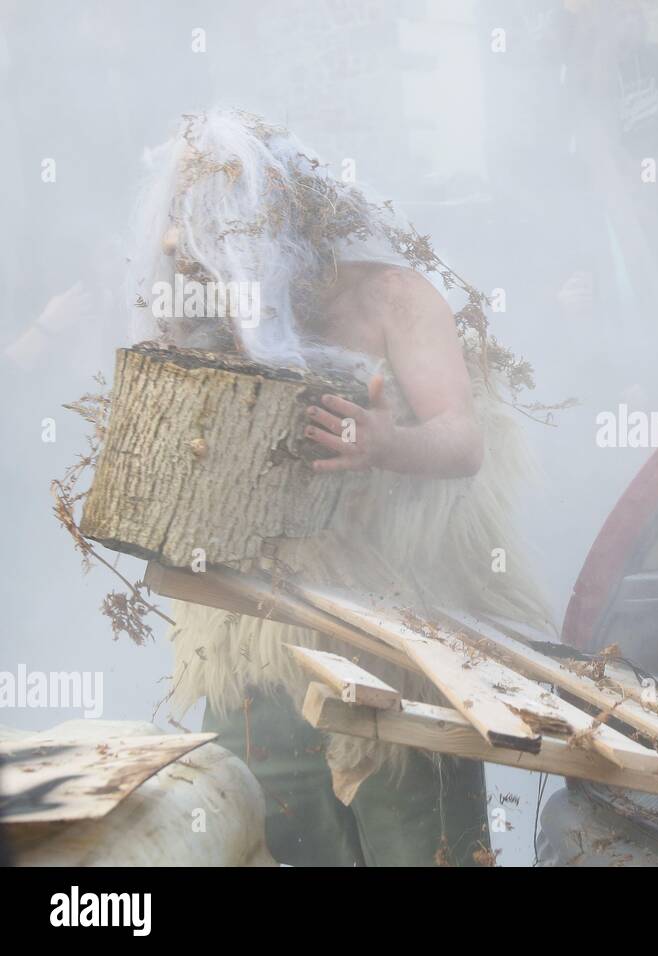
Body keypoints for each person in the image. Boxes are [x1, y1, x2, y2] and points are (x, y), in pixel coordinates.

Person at [129, 110, 553, 866]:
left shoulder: (394, 297)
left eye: (237, 237)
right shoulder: (214, 311)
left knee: (415, 836)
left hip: (392, 634)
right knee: (266, 829)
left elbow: (463, 440)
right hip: (256, 633)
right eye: (202, 241)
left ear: (295, 221)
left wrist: (384, 442)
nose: (219, 259)